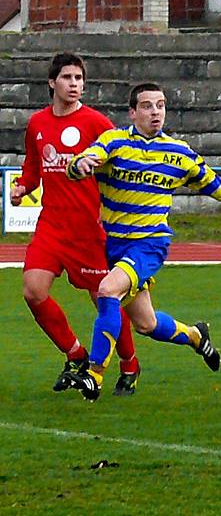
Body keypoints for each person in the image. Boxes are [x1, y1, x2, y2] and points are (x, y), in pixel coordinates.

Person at [63, 82, 221, 401]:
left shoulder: (178, 151)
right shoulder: (114, 142)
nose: (155, 112)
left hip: (150, 244)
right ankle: (195, 336)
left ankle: (94, 376)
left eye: (160, 105)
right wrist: (80, 166)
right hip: (116, 246)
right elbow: (80, 164)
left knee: (107, 291)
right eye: (147, 106)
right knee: (146, 324)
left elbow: (209, 181)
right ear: (133, 112)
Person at [11, 52, 142, 396]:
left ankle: (129, 363)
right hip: (52, 226)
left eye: (79, 79)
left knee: (105, 300)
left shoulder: (96, 123)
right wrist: (23, 186)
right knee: (32, 291)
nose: (75, 84)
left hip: (89, 230)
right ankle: (75, 355)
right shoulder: (38, 123)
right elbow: (33, 168)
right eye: (68, 78)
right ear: (52, 82)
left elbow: (120, 162)